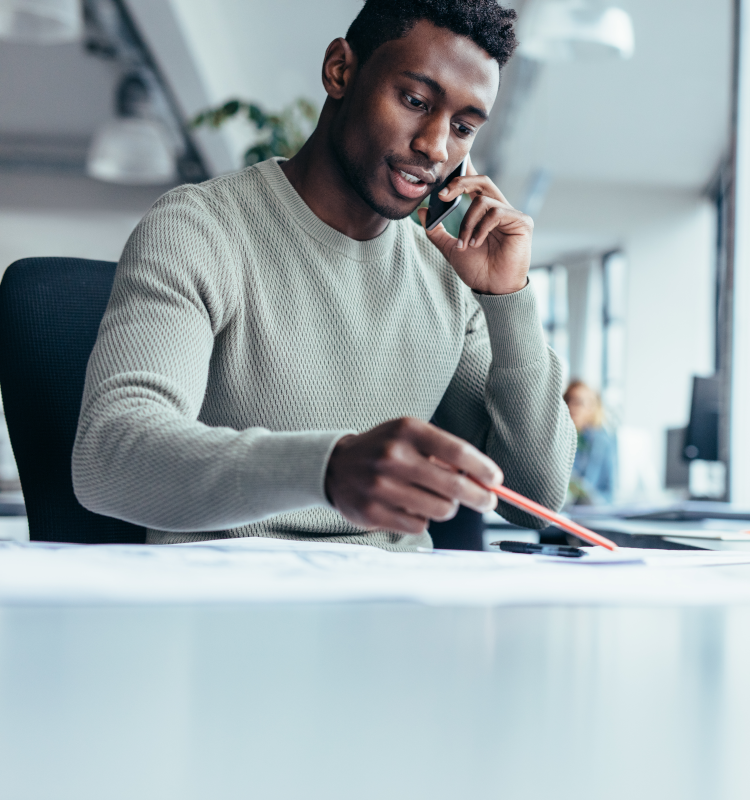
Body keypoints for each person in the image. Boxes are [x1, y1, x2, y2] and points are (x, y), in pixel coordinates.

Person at [72, 0, 575, 550]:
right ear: (341, 70)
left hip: (398, 612)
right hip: (230, 608)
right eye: (414, 100)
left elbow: (535, 498)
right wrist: (324, 469)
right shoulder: (201, 228)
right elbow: (109, 457)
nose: (434, 146)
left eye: (461, 126)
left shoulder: (445, 265)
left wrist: (506, 299)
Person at [563, 380, 615, 506]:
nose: (572, 406)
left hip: (591, 509)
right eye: (569, 400)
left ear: (592, 408)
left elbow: (609, 492)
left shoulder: (602, 441)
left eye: (579, 402)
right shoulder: (558, 437)